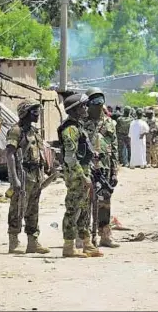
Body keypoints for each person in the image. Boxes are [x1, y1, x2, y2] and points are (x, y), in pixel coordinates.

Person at [5, 99, 51, 255]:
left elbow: (39, 152)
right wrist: (14, 179)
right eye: (34, 111)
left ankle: (33, 241)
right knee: (18, 208)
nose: (38, 115)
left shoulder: (34, 132)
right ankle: (14, 241)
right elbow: (10, 154)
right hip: (23, 175)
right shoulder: (16, 131)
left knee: (33, 210)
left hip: (36, 176)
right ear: (25, 113)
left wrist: (47, 169)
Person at [58, 93, 100, 258]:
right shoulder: (70, 129)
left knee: (84, 209)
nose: (86, 108)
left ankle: (86, 243)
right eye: (82, 106)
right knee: (73, 209)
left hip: (83, 171)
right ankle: (68, 246)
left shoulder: (78, 126)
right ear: (74, 110)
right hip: (76, 175)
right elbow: (70, 157)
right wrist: (83, 176)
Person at [84, 87, 120, 249]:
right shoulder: (82, 123)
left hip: (104, 168)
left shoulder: (111, 123)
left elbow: (115, 148)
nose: (98, 105)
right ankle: (84, 236)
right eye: (94, 101)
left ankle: (105, 234)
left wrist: (115, 172)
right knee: (84, 202)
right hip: (87, 168)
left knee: (105, 203)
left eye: (100, 101)